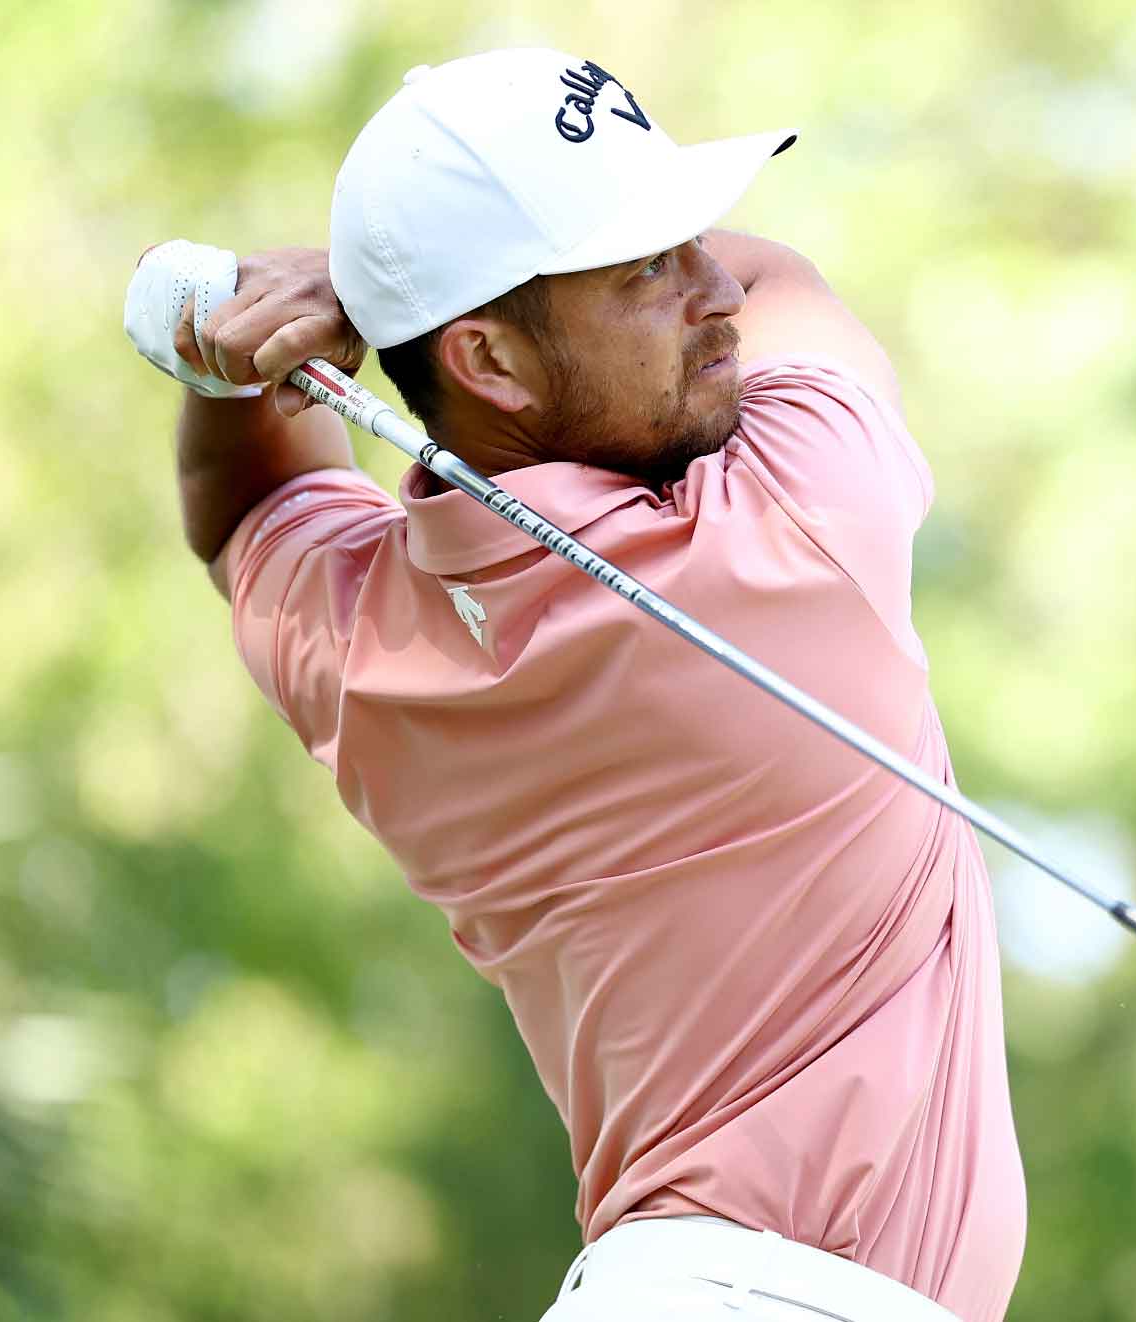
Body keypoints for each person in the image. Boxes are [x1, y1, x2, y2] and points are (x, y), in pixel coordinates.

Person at [121, 47, 1025, 1322]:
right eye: (647, 266)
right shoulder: (793, 521)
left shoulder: (368, 644)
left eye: (689, 238)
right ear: (489, 360)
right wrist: (336, 299)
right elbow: (787, 284)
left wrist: (242, 361)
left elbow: (243, 510)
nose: (712, 285)